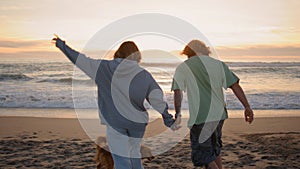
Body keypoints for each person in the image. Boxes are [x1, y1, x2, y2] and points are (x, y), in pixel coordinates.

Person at [52, 35, 180, 169]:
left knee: (121, 160)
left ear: (118, 53)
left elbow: (81, 60)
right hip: (137, 123)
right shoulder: (144, 74)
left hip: (115, 122)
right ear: (137, 56)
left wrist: (62, 46)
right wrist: (168, 119)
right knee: (134, 155)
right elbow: (157, 99)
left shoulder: (103, 68)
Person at [171, 40, 254, 169]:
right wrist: (247, 107)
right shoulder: (218, 65)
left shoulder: (183, 67)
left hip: (200, 117)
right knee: (214, 151)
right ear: (205, 50)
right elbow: (235, 86)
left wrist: (178, 113)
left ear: (187, 52)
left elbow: (178, 92)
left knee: (203, 155)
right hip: (219, 115)